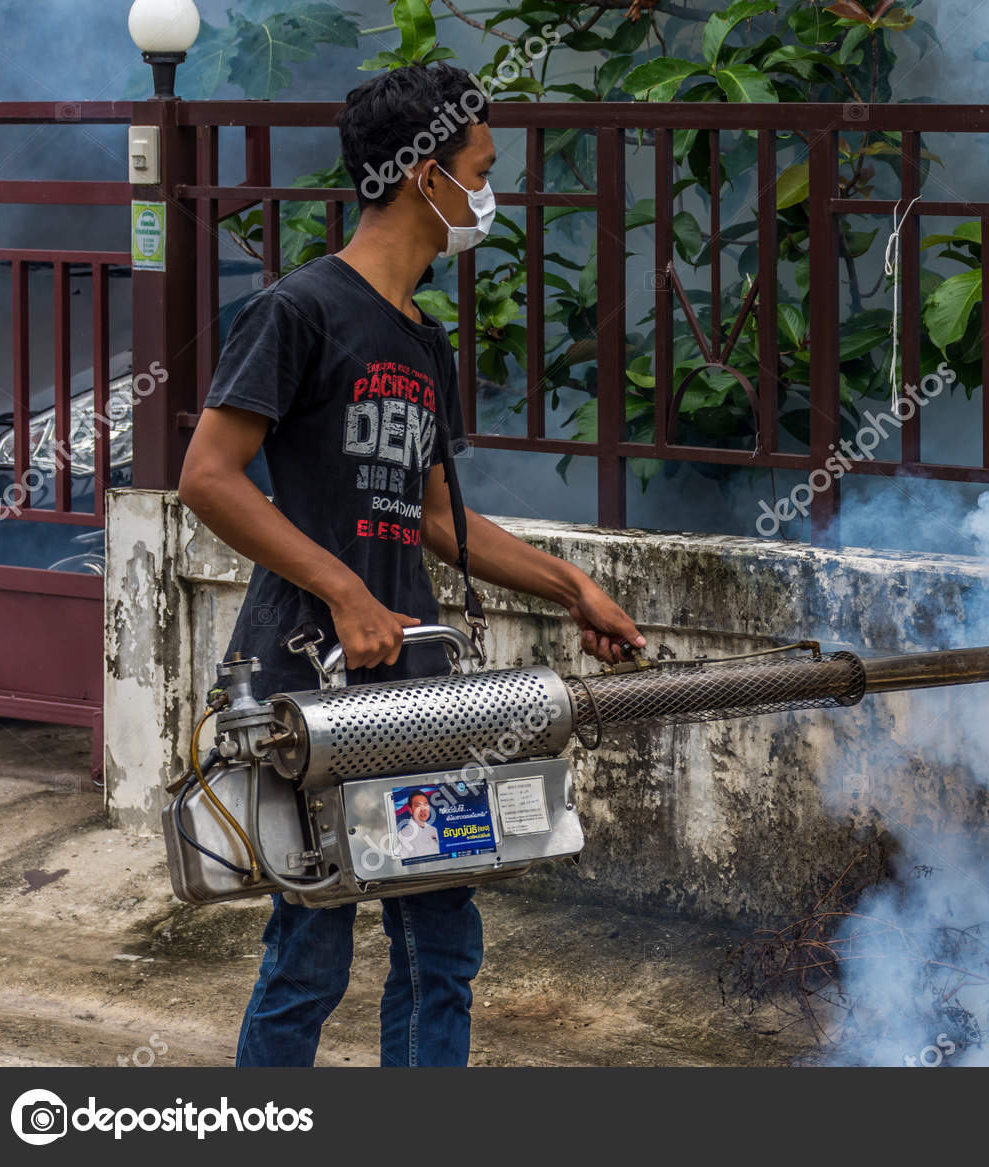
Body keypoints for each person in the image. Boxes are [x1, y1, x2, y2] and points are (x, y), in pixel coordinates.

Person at [177, 62, 645, 1068]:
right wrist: (344, 589)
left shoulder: (423, 339)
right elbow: (208, 478)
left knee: (443, 947)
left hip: (415, 684)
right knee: (311, 950)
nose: (491, 194)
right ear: (424, 173)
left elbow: (437, 519)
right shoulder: (296, 311)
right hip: (310, 674)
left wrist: (576, 588)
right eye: (480, 168)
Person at [397, 791, 442, 860]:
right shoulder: (403, 834)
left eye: (425, 805)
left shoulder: (433, 830)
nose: (423, 810)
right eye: (418, 806)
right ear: (410, 810)